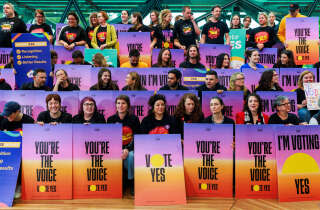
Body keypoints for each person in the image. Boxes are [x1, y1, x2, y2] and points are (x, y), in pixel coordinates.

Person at [107, 95, 140, 195]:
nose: (120, 105)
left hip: (131, 148)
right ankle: (119, 183)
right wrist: (118, 150)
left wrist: (127, 149)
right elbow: (109, 138)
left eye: (123, 103)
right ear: (115, 105)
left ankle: (132, 182)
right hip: (115, 149)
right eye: (118, 103)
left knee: (131, 156)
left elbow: (136, 137)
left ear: (128, 105)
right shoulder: (110, 120)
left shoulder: (134, 119)